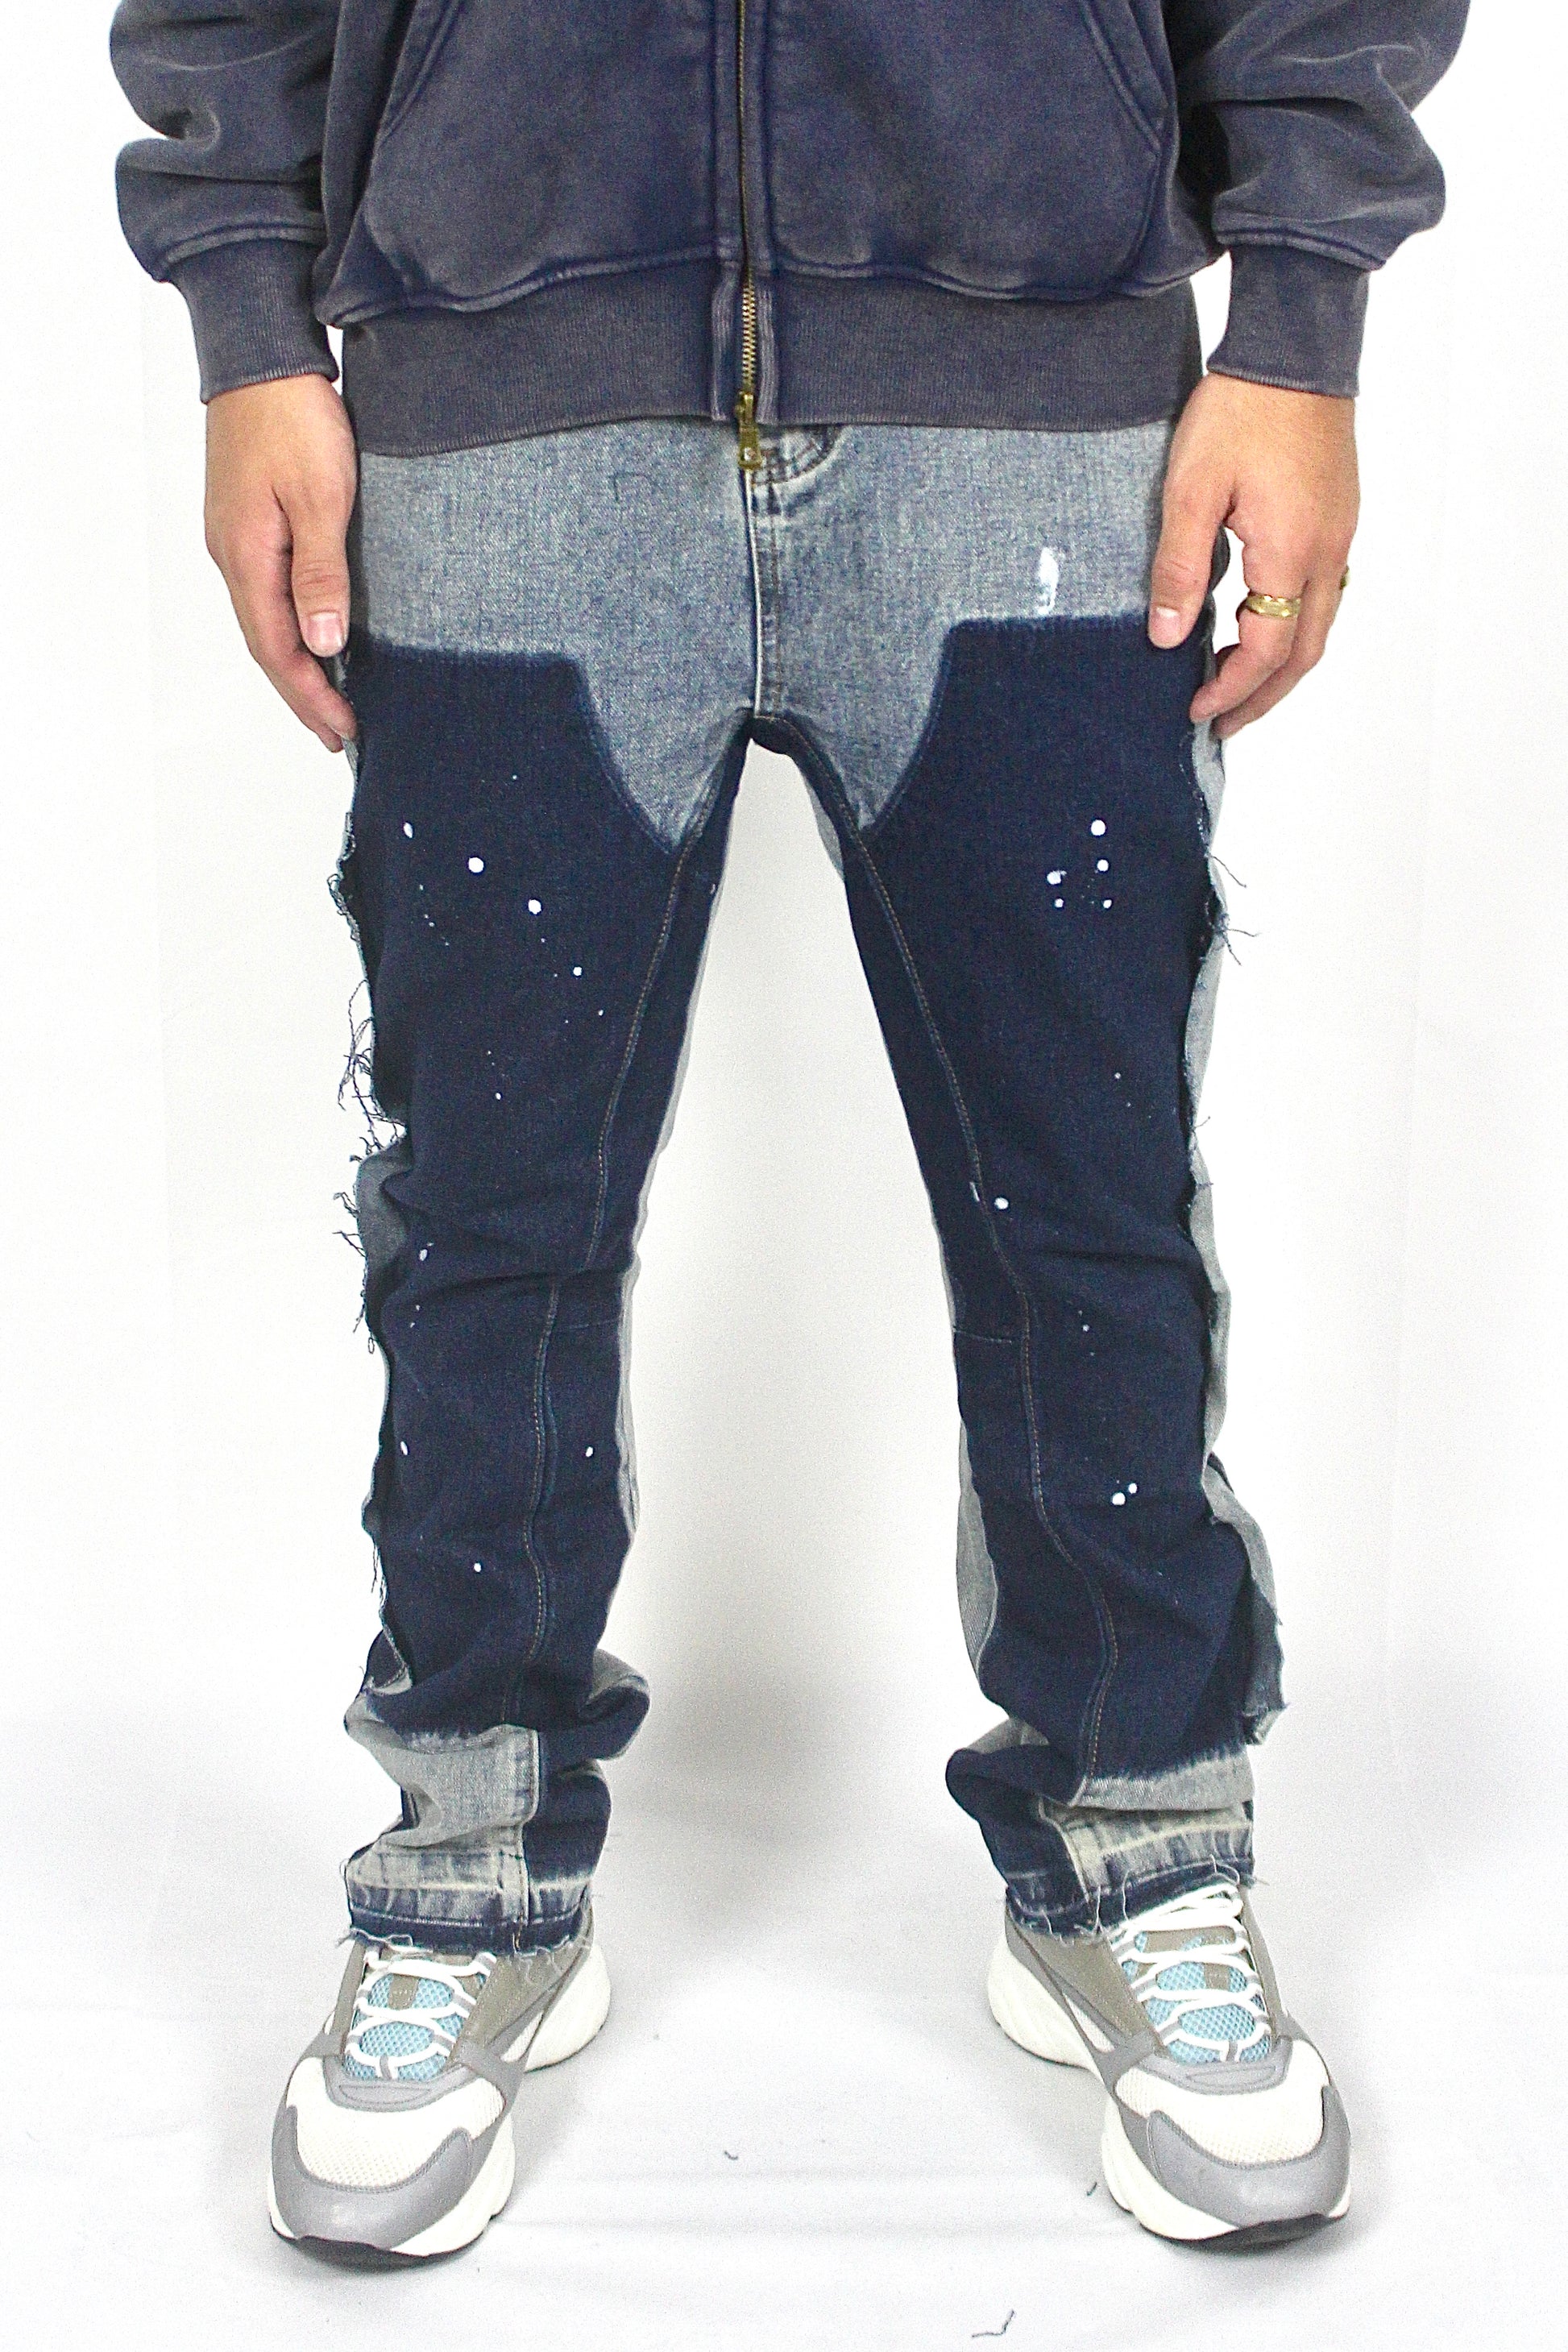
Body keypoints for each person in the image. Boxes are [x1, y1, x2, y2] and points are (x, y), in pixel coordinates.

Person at [110, 0, 1466, 2259]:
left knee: (1085, 1200)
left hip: (1037, 420)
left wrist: (1302, 327)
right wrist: (249, 324)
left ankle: (1137, 1848)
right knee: (489, 1220)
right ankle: (469, 1873)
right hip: (497, 414)